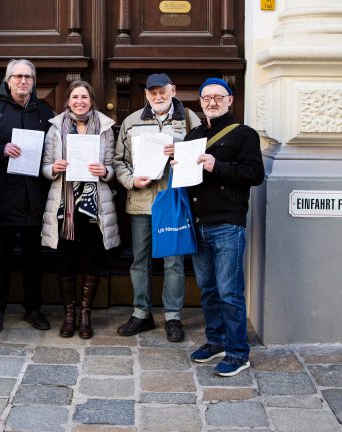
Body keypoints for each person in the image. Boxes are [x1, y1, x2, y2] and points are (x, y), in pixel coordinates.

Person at [183, 77, 264, 376]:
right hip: (198, 222)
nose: (212, 102)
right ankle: (215, 341)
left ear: (230, 100)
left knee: (230, 291)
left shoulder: (244, 134)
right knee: (207, 289)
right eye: (206, 97)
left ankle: (238, 352)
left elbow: (255, 174)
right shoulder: (193, 134)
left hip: (228, 223)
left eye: (218, 97)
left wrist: (217, 166)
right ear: (201, 102)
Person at [113, 73, 200, 341]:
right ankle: (142, 313)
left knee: (174, 261)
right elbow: (119, 161)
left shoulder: (189, 120)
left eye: (163, 91)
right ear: (146, 95)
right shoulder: (132, 121)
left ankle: (173, 317)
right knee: (140, 260)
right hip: (141, 202)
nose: (158, 97)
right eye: (153, 93)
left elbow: (201, 157)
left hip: (173, 201)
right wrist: (131, 180)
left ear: (173, 90)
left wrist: (181, 153)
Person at [0, 59, 54, 333]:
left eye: (28, 77)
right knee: (1, 257)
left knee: (34, 258)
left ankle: (33, 309)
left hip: (35, 197)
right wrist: (0, 150)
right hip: (2, 196)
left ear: (34, 82)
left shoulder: (45, 113)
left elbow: (55, 150)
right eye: (18, 76)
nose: (23, 81)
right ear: (7, 81)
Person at [41, 81, 120, 339]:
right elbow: (44, 166)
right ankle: (69, 314)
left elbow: (113, 167)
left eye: (84, 97)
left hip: (94, 207)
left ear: (91, 100)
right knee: (65, 261)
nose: (79, 101)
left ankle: (86, 315)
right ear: (68, 100)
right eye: (75, 97)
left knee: (90, 260)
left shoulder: (105, 128)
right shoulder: (56, 128)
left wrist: (105, 171)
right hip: (65, 206)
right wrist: (55, 168)